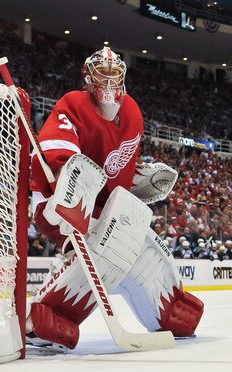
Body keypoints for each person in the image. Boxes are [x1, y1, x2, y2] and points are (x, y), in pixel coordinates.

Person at [26, 47, 204, 351]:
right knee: (113, 239)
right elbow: (55, 157)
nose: (108, 81)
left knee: (139, 239)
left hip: (101, 207)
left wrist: (134, 180)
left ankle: (168, 307)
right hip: (59, 197)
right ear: (87, 77)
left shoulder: (132, 112)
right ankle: (48, 316)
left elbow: (117, 169)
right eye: (102, 74)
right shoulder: (73, 103)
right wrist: (75, 184)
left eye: (114, 74)